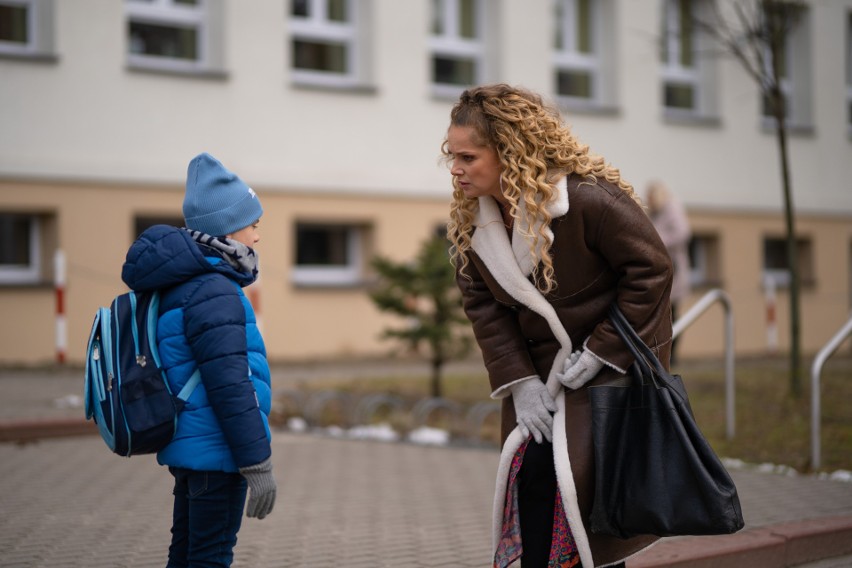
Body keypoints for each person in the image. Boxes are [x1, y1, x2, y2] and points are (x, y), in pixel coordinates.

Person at [443, 84, 673, 568]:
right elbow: (483, 305)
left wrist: (601, 352)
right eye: (451, 155)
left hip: (607, 377)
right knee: (534, 491)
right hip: (540, 384)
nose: (455, 169)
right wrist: (521, 381)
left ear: (508, 150)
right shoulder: (472, 220)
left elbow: (652, 270)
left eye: (467, 156)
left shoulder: (589, 201)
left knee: (592, 509)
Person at [121, 152, 277, 568]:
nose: (258, 237)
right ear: (228, 227)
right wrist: (256, 462)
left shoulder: (182, 283)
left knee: (187, 552)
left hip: (190, 447)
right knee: (209, 557)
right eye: (254, 225)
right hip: (218, 452)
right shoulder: (215, 290)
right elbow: (229, 384)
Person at [646, 180, 692, 364]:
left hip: (675, 268)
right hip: (661, 267)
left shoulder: (671, 207)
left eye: (650, 197)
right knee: (664, 313)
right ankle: (664, 353)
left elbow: (683, 232)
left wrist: (659, 240)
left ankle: (673, 356)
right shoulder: (655, 212)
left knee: (673, 312)